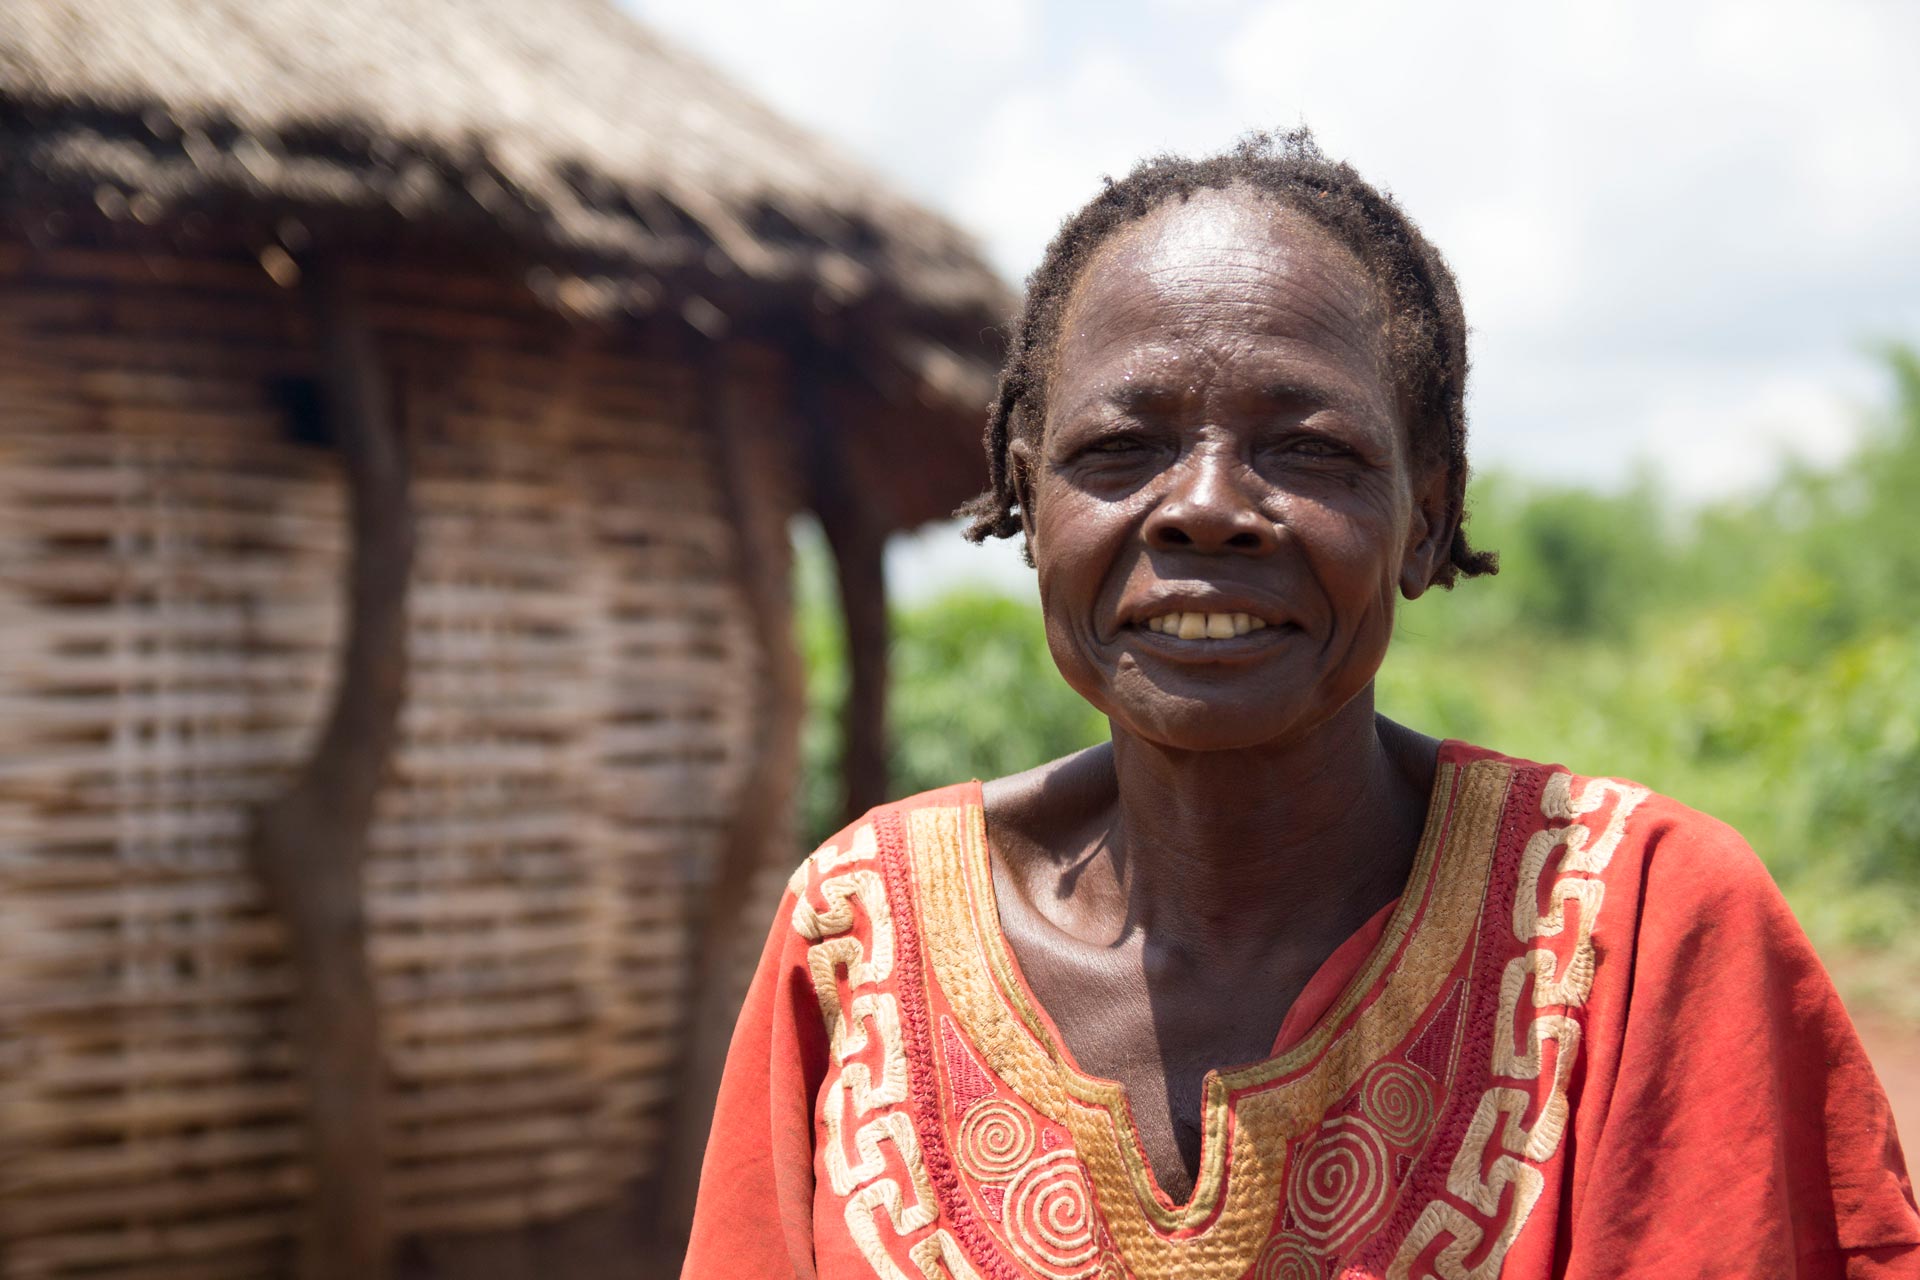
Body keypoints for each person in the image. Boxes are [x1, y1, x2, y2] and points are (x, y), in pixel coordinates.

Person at [681, 131, 1920, 1279]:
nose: (1205, 505)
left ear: (1427, 522)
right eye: (1120, 449)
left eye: (1310, 449)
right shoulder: (860, 938)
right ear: (1028, 503)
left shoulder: (1639, 925)